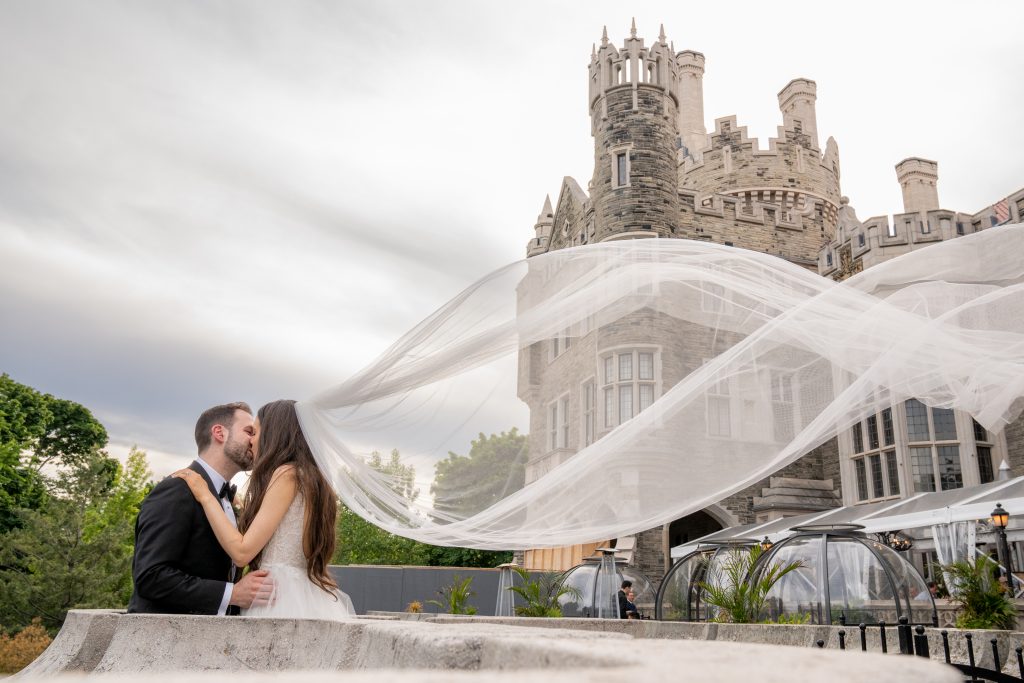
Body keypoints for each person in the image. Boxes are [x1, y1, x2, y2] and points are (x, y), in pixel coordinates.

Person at [173, 399, 354, 619]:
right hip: (305, 593)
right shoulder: (312, 479)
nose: (251, 441)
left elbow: (241, 553)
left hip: (276, 596)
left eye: (255, 432)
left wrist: (205, 495)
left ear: (273, 434)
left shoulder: (287, 474)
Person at [128, 402, 273, 614]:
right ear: (219, 433)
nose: (254, 440)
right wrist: (231, 594)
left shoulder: (226, 500)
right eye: (249, 431)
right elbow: (150, 576)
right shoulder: (176, 489)